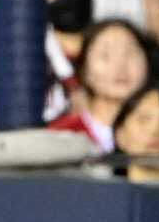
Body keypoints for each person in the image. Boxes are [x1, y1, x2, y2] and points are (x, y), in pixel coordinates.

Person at [48, 19, 151, 151]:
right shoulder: (60, 136)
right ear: (84, 70)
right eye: (105, 56)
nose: (120, 66)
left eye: (130, 53)